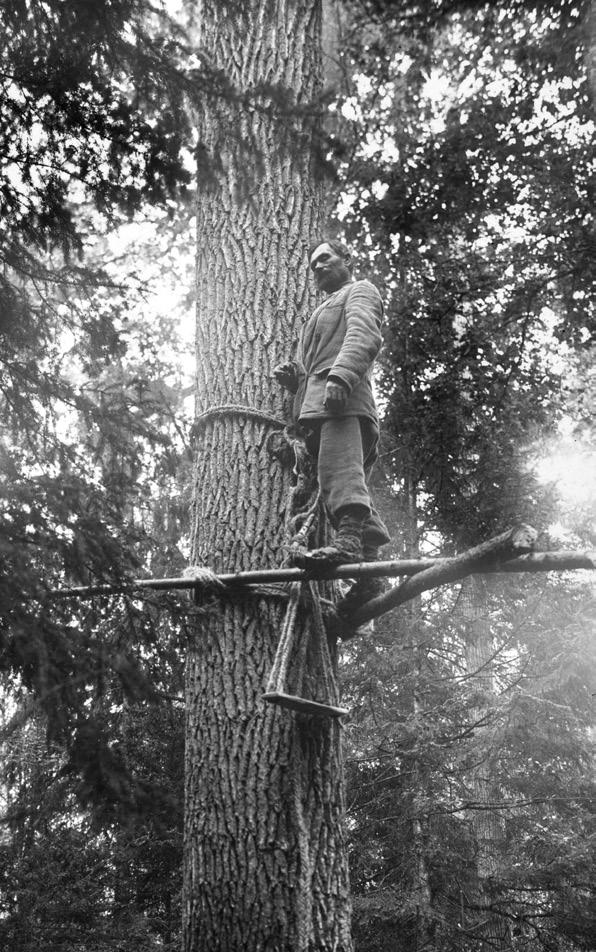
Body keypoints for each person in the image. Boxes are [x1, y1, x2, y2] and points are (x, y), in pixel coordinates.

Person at [274, 238, 390, 602]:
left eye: (325, 258)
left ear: (347, 258)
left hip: (343, 403)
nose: (318, 267)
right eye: (313, 265)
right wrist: (297, 378)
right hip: (322, 407)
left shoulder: (359, 291)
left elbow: (364, 334)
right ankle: (370, 574)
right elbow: (316, 365)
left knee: (339, 472)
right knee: (338, 476)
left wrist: (340, 376)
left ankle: (349, 545)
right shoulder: (321, 311)